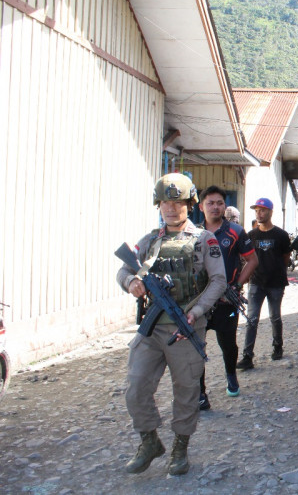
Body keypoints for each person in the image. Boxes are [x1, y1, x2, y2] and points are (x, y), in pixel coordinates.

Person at [117, 173, 226, 476]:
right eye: (165, 202)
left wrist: (198, 310)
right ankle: (149, 441)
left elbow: (219, 280)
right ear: (158, 204)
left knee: (186, 391)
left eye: (177, 202)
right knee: (136, 386)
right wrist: (131, 283)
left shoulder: (205, 240)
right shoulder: (150, 240)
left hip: (186, 327)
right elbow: (124, 270)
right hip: (152, 328)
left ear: (189, 205)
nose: (171, 208)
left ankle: (180, 446)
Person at [197, 186, 257, 410]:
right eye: (210, 203)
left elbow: (252, 261)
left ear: (224, 206)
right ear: (201, 206)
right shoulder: (193, 233)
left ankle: (231, 376)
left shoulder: (235, 231)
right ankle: (200, 393)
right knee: (196, 348)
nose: (215, 207)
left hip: (226, 301)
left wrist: (236, 285)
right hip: (199, 302)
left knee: (228, 345)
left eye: (219, 203)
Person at [238, 198, 291, 369]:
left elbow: (285, 258)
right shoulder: (251, 235)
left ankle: (277, 347)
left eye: (262, 210)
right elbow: (246, 258)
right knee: (252, 319)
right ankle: (247, 356)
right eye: (257, 211)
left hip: (276, 283)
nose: (259, 213)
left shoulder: (281, 235)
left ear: (270, 212)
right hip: (256, 282)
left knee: (275, 316)